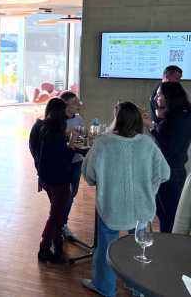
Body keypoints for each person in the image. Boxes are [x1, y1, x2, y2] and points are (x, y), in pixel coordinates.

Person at [80, 102, 169, 297]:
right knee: (138, 249)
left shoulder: (103, 143)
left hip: (111, 205)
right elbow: (164, 173)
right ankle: (138, 289)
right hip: (142, 207)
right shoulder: (147, 144)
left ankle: (105, 287)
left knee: (106, 247)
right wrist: (149, 187)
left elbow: (89, 175)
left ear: (117, 119)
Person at [29, 98, 74, 263]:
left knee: (56, 212)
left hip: (46, 177)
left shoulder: (40, 127)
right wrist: (73, 143)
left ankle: (57, 242)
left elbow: (34, 149)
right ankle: (44, 248)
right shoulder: (55, 133)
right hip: (58, 179)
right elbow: (65, 158)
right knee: (56, 214)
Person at [152, 81, 191, 232]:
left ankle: (168, 250)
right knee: (165, 214)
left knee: (170, 217)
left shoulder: (180, 119)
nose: (156, 98)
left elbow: (168, 148)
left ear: (170, 96)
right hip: (171, 171)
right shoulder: (180, 116)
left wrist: (152, 127)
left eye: (159, 94)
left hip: (170, 173)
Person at [59, 91, 85, 239]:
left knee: (72, 193)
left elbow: (82, 137)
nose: (78, 105)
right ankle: (60, 224)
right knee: (64, 195)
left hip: (77, 160)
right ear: (66, 105)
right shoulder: (58, 122)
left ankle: (62, 223)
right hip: (63, 163)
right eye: (75, 103)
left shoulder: (79, 119)